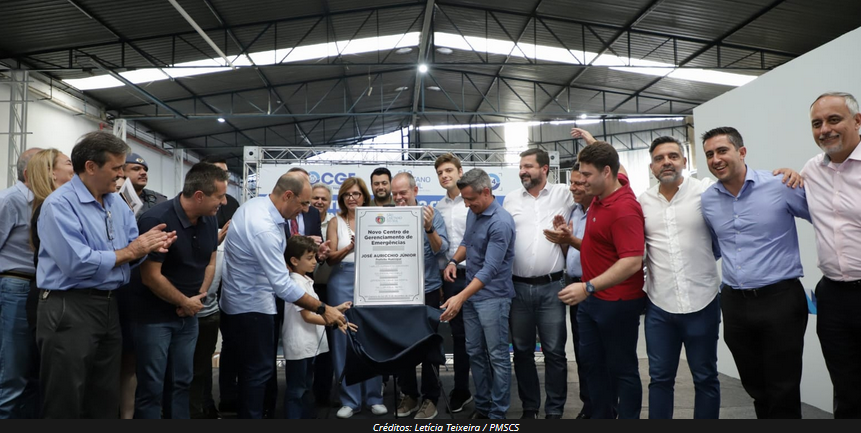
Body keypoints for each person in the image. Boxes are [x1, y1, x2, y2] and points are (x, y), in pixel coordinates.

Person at [35, 131, 176, 418]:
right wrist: (133, 250)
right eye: (116, 168)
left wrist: (149, 247)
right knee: (65, 396)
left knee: (104, 395)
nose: (121, 175)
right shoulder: (59, 205)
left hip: (109, 305)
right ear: (90, 167)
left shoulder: (116, 204)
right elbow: (77, 263)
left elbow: (130, 252)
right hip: (69, 306)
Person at [700, 126, 810, 419]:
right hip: (735, 303)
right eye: (709, 154)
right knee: (755, 385)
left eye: (722, 151)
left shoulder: (780, 185)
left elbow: (824, 218)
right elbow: (715, 246)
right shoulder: (708, 200)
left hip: (780, 299)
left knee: (783, 386)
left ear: (742, 152)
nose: (715, 159)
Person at [219, 171, 343, 419]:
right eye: (304, 203)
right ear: (288, 195)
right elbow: (283, 286)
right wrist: (323, 309)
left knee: (253, 372)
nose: (306, 210)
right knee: (258, 373)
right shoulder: (263, 227)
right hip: (252, 307)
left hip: (241, 303)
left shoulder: (254, 206)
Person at [130, 162, 228, 418]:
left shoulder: (209, 219)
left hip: (189, 315)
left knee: (182, 382)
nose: (224, 202)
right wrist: (185, 301)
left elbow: (210, 261)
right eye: (220, 196)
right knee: (152, 387)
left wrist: (197, 298)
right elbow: (150, 276)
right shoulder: (157, 220)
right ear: (199, 196)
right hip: (154, 318)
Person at [557, 140, 646, 419]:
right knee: (592, 367)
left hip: (617, 303)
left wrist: (588, 287)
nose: (581, 181)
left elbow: (632, 261)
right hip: (592, 302)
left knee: (622, 369)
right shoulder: (601, 194)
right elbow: (598, 247)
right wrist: (570, 239)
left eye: (587, 175)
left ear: (606, 173)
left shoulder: (624, 209)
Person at [638, 136, 722, 419]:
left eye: (673, 156)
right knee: (660, 379)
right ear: (652, 167)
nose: (667, 162)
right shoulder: (643, 202)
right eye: (659, 158)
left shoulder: (706, 191)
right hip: (660, 306)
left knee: (705, 377)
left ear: (684, 161)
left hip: (703, 301)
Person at [802, 92, 861, 419]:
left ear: (857, 121)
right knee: (846, 387)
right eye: (817, 123)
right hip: (833, 296)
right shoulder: (812, 170)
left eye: (833, 120)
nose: (825, 129)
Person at [440, 168, 516, 420]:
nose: (467, 204)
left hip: (494, 298)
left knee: (497, 357)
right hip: (473, 297)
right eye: (464, 199)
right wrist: (453, 261)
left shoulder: (500, 222)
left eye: (470, 199)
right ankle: (483, 406)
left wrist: (460, 297)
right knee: (474, 352)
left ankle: (497, 413)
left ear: (486, 192)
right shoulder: (474, 212)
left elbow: (490, 269)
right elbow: (467, 242)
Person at [503, 148, 573, 419]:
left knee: (555, 352)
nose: (522, 171)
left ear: (545, 169)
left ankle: (554, 411)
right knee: (522, 352)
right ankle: (529, 408)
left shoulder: (564, 194)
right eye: (521, 166)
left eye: (528, 166)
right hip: (517, 288)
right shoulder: (510, 199)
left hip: (552, 288)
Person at [326, 177, 388, 419]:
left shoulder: (376, 217)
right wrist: (348, 248)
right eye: (347, 194)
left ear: (364, 196)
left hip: (372, 277)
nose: (352, 198)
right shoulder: (335, 221)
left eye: (356, 194)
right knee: (342, 338)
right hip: (341, 279)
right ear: (342, 198)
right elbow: (330, 259)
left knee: (371, 337)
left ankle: (374, 397)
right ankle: (349, 400)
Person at [391, 172, 449, 420]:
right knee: (401, 345)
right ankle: (409, 395)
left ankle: (430, 398)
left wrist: (428, 228)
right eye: (395, 194)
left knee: (428, 347)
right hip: (397, 292)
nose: (398, 198)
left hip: (428, 290)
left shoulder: (431, 215)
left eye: (403, 192)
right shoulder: (386, 217)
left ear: (415, 191)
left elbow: (441, 249)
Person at [281, 235, 355, 419]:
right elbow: (307, 316)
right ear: (294, 261)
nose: (315, 261)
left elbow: (318, 309)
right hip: (299, 346)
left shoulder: (305, 280)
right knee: (297, 391)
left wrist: (336, 309)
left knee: (306, 388)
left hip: (308, 346)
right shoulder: (295, 283)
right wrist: (335, 320)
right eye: (309, 258)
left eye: (314, 257)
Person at [542, 163, 593, 419]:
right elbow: (570, 252)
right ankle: (589, 404)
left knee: (598, 353)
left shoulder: (601, 210)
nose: (572, 187)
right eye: (571, 182)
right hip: (574, 285)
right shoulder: (574, 211)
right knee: (582, 353)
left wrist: (569, 239)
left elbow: (599, 250)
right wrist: (564, 238)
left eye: (579, 183)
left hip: (596, 288)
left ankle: (605, 407)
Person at [0, 146, 43, 418]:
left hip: (37, 288)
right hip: (15, 284)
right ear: (30, 173)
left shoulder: (45, 202)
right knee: (13, 368)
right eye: (48, 168)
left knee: (31, 368)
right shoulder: (10, 200)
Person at [197, 154, 239, 417]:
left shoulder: (232, 203)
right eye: (217, 172)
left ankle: (227, 397)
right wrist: (216, 238)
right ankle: (203, 402)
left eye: (225, 173)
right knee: (201, 352)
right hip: (202, 290)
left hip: (228, 285)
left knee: (229, 345)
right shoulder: (196, 206)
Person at [432, 153, 473, 413]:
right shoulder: (438, 208)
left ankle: (490, 392)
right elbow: (440, 249)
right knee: (458, 336)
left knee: (483, 335)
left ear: (460, 172)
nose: (444, 175)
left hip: (478, 275)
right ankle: (461, 390)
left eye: (448, 170)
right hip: (451, 278)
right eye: (440, 173)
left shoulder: (473, 200)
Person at [310, 182, 337, 406]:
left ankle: (323, 394)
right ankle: (303, 393)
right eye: (315, 198)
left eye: (323, 199)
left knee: (327, 344)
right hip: (303, 288)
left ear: (329, 202)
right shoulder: (300, 220)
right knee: (305, 341)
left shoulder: (334, 223)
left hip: (328, 289)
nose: (319, 202)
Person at [124, 152, 167, 218]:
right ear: (121, 172)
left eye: (145, 170)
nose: (144, 173)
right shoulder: (111, 199)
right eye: (136, 169)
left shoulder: (160, 201)